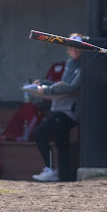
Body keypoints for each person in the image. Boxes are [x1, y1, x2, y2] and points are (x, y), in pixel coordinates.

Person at [31, 33, 82, 182]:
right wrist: (42, 83)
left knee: (39, 133)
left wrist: (46, 90)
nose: (75, 50)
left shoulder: (84, 64)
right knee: (62, 144)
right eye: (72, 47)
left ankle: (49, 169)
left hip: (69, 112)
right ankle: (64, 178)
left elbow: (70, 87)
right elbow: (61, 84)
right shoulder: (70, 63)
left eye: (78, 47)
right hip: (60, 108)